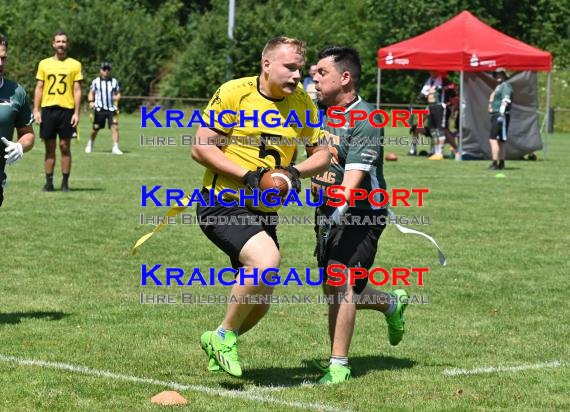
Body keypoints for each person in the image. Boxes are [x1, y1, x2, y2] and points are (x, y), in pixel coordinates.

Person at [192, 37, 331, 378]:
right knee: (267, 261)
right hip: (221, 202)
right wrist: (250, 175)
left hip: (264, 213)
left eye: (300, 69)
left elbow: (324, 153)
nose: (298, 76)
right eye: (290, 67)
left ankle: (221, 341)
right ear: (267, 64)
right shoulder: (234, 93)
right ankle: (223, 336)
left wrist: (294, 172)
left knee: (261, 300)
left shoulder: (301, 103)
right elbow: (201, 148)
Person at [311, 46, 408, 384]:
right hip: (327, 211)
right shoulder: (319, 113)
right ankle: (390, 304)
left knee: (341, 283)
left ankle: (339, 365)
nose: (315, 78)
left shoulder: (366, 116)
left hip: (361, 212)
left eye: (322, 73)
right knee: (334, 288)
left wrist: (338, 206)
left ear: (345, 77)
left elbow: (354, 176)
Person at [33, 31, 82, 192]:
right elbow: (39, 88)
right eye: (58, 41)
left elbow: (77, 89)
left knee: (65, 146)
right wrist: (36, 109)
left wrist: (76, 112)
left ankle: (65, 183)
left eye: (64, 41)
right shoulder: (44, 64)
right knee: (50, 147)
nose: (61, 44)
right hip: (48, 109)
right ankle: (49, 183)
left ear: (67, 44)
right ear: (53, 44)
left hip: (67, 110)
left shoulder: (75, 64)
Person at [0, 33, 35, 206]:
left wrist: (20, 145)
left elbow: (28, 134)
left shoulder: (16, 92)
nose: (0, 63)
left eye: (3, 58)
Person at [85, 61, 122, 155]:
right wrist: (91, 102)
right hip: (99, 109)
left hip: (111, 109)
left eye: (108, 69)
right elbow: (91, 93)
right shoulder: (96, 81)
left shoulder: (114, 81)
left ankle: (115, 147)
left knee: (115, 127)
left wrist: (116, 97)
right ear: (100, 70)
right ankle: (90, 144)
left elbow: (118, 94)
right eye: (104, 69)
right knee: (96, 128)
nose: (106, 71)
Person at [419, 71, 456, 160]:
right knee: (433, 130)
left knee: (440, 130)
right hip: (430, 106)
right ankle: (435, 151)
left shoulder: (444, 80)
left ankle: (440, 152)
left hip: (440, 106)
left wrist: (443, 88)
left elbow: (453, 87)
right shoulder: (429, 81)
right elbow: (422, 94)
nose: (431, 72)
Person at [488, 68, 512, 170]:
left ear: (504, 75)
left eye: (500, 74)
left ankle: (495, 163)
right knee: (501, 140)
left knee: (493, 139)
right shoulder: (499, 86)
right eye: (497, 74)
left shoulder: (505, 86)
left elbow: (506, 99)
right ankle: (501, 163)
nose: (498, 76)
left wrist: (501, 112)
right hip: (498, 114)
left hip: (500, 115)